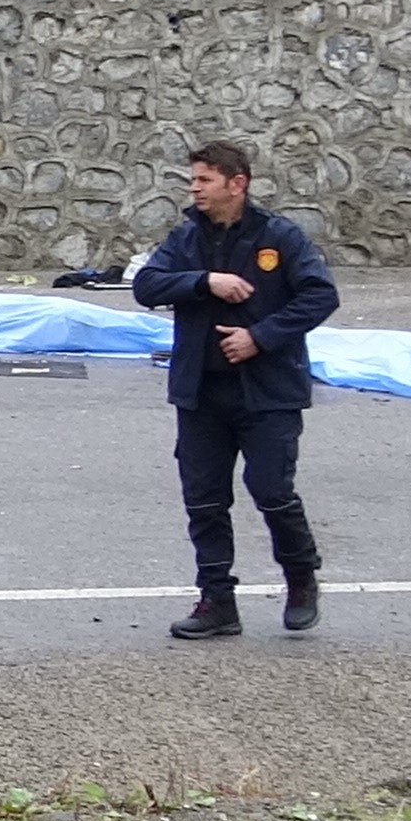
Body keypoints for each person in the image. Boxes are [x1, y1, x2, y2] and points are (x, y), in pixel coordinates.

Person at [130, 141, 339, 638]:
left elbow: (320, 295)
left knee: (271, 491)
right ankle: (217, 601)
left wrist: (259, 337)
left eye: (204, 180)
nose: (194, 189)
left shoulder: (279, 236)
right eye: (193, 180)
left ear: (236, 183)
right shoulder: (187, 237)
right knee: (204, 500)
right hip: (201, 392)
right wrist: (206, 282)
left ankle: (301, 577)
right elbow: (147, 286)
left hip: (267, 393)